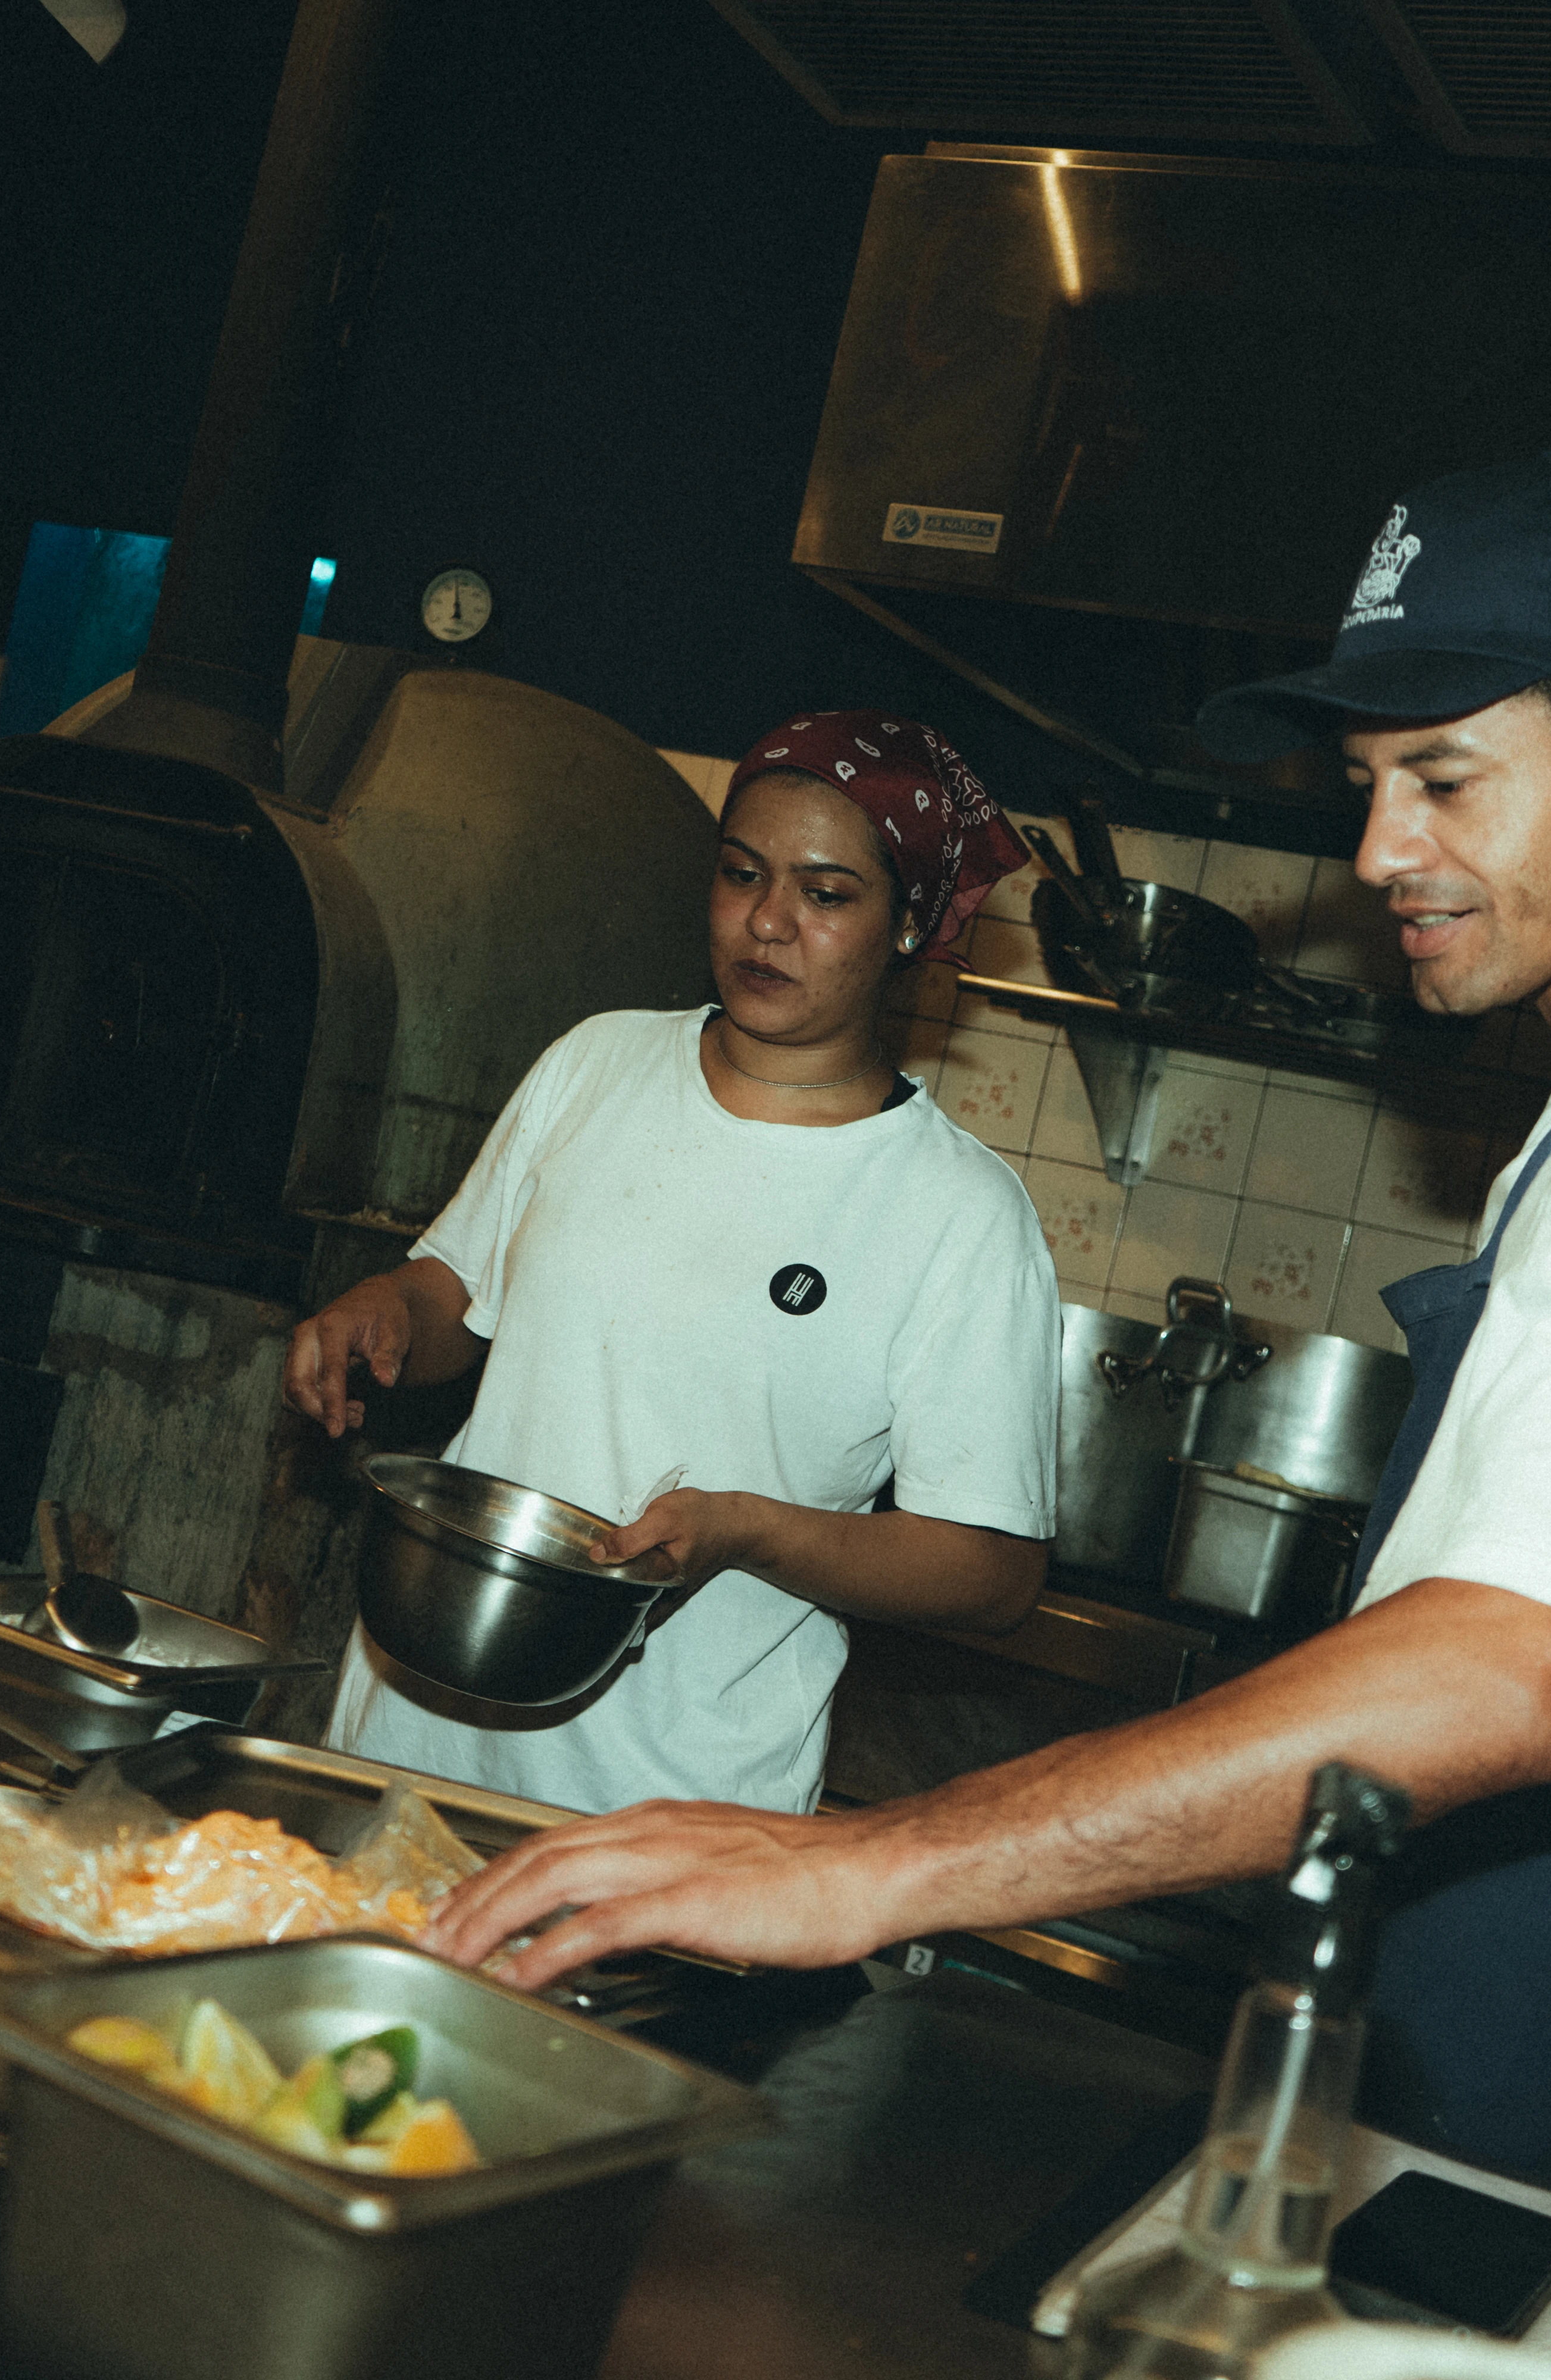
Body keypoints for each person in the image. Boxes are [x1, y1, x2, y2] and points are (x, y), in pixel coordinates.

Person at [420, 457, 1551, 2256]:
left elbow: (1507, 1678)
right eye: (1370, 787)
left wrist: (871, 1862)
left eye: (1448, 779)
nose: (1383, 852)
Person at [282, 710, 1059, 1818]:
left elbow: (992, 1574)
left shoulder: (959, 1216)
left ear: (906, 927)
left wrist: (753, 1531)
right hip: (411, 1729)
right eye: (742, 874)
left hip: (666, 1807)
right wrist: (390, 1307)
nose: (768, 921)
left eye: (827, 894)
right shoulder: (597, 1061)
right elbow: (457, 1296)